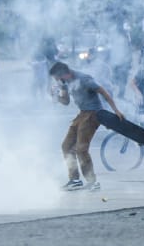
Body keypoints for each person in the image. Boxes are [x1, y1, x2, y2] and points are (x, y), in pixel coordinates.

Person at [49, 61, 124, 191]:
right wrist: (55, 96)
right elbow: (66, 102)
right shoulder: (65, 83)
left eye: (57, 77)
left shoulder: (84, 79)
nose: (56, 80)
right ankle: (75, 180)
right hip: (82, 114)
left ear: (64, 74)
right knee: (66, 146)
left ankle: (92, 182)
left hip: (93, 114)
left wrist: (116, 110)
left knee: (81, 149)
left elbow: (104, 93)